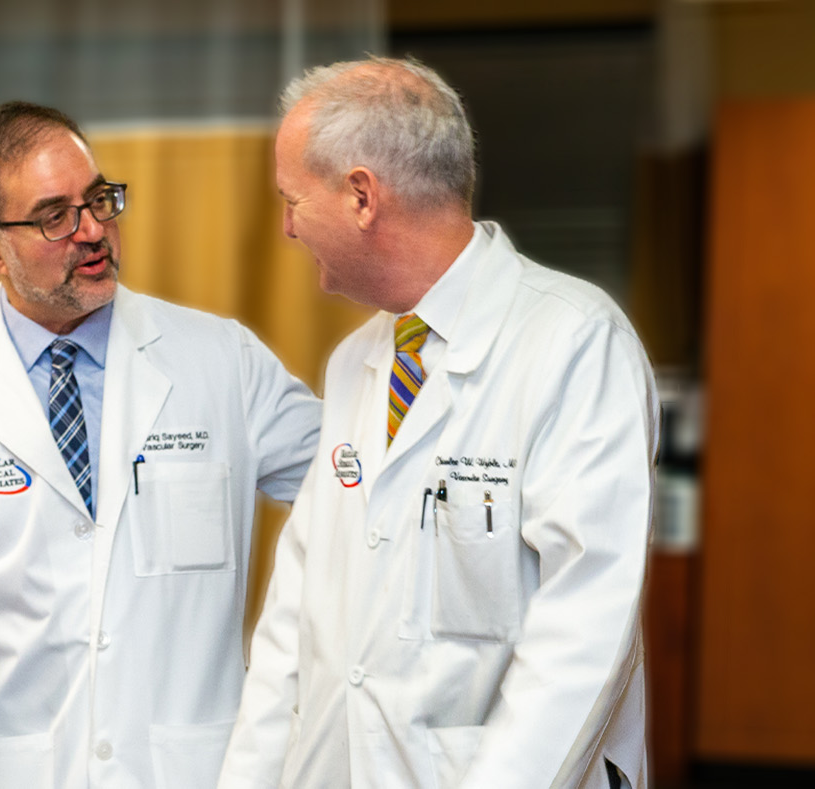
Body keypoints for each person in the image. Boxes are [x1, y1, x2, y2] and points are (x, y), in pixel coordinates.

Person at [0, 101, 325, 789]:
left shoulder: (220, 361)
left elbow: (358, 482)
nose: (93, 231)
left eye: (100, 200)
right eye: (55, 216)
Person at [219, 57, 657, 789]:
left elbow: (586, 629)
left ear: (362, 195)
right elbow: (296, 615)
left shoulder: (574, 340)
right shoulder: (358, 360)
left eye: (293, 200)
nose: (288, 228)